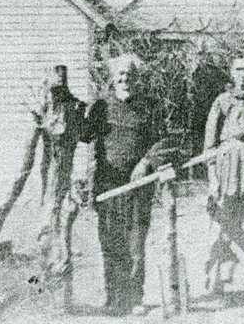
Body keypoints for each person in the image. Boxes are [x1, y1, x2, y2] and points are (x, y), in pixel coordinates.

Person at [81, 54, 167, 316]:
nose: (124, 79)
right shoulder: (100, 107)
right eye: (119, 75)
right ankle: (114, 298)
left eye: (129, 75)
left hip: (139, 186)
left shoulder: (149, 106)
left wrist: (146, 162)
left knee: (135, 242)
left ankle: (135, 297)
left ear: (136, 78)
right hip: (108, 186)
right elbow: (84, 135)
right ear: (112, 79)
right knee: (110, 241)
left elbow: (162, 140)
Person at [201, 55, 244, 298]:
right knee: (225, 223)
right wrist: (213, 177)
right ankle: (216, 278)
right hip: (227, 169)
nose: (243, 74)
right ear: (231, 71)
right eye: (238, 69)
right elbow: (209, 142)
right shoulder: (222, 101)